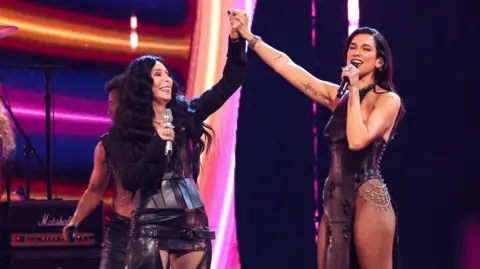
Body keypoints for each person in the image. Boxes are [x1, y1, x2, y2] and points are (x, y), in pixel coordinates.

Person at [230, 10, 403, 269]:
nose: (356, 52)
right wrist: (249, 36)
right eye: (352, 47)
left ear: (379, 62)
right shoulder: (338, 96)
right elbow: (286, 66)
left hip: (368, 196)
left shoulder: (388, 100)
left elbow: (357, 140)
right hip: (333, 198)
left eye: (365, 49)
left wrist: (354, 89)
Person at [103, 13, 247, 269]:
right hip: (149, 222)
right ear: (142, 84)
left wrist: (236, 41)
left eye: (167, 75)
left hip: (191, 219)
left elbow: (229, 83)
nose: (167, 80)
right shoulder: (125, 133)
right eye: (158, 75)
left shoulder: (186, 115)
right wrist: (158, 141)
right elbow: (130, 179)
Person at [63, 73, 133, 269]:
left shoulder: (158, 140)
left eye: (113, 104)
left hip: (153, 231)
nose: (108, 111)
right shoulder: (106, 146)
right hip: (119, 232)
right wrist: (75, 221)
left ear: (128, 105)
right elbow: (94, 190)